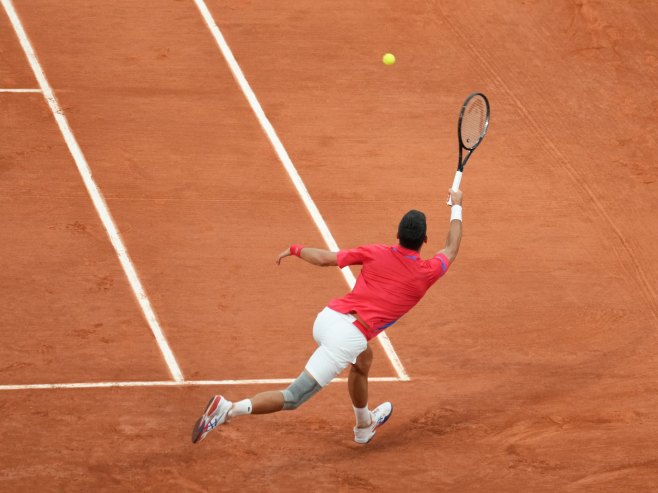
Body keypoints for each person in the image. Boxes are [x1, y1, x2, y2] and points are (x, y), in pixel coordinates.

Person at [192, 189, 464, 445]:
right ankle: (228, 409)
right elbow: (450, 248)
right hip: (346, 337)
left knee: (363, 358)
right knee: (293, 397)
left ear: (397, 235)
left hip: (327, 317)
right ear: (424, 241)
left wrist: (296, 249)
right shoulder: (427, 272)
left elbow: (325, 259)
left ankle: (363, 425)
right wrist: (457, 206)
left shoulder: (375, 251)